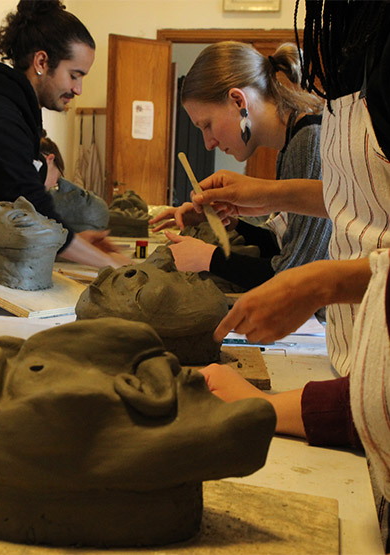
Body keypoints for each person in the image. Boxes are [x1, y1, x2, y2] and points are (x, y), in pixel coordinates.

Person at [191, 0, 390, 545]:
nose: (209, 142)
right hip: (354, 369)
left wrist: (326, 280)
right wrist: (267, 196)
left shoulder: (313, 127)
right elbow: (361, 199)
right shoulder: (355, 62)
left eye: (208, 126)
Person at [0, 0, 130, 269]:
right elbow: (33, 212)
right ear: (41, 61)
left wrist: (78, 243)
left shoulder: (12, 111)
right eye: (74, 75)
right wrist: (112, 265)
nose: (78, 90)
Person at [150, 41, 332, 292]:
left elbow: (293, 274)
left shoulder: (308, 140)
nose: (208, 143)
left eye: (207, 125)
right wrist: (229, 223)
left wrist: (209, 258)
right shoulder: (291, 144)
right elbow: (282, 245)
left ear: (238, 101)